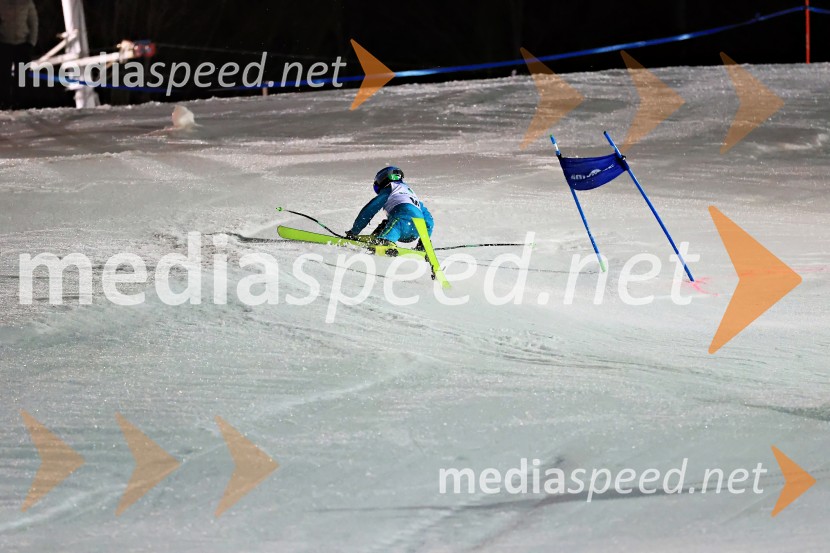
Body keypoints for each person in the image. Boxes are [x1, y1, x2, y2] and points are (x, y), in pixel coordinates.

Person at [346, 166, 434, 249]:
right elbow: (429, 220)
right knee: (388, 223)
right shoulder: (411, 194)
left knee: (397, 223)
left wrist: (354, 231)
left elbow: (369, 210)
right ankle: (378, 237)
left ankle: (386, 241)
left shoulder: (390, 189)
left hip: (400, 225)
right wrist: (424, 241)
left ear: (383, 180)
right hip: (415, 232)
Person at [0, 0, 38, 110]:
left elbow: (33, 22)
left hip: (23, 45)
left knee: (22, 76)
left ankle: (20, 103)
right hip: (4, 43)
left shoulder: (27, 3)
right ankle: (4, 103)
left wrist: (31, 42)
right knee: (4, 76)